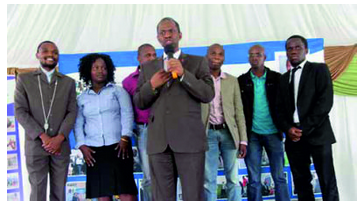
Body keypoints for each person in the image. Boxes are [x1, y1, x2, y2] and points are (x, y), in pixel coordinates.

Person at [133, 17, 214, 201]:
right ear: (158, 38)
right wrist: (152, 85)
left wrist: (185, 74)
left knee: (193, 196)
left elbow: (208, 94)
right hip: (159, 143)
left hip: (189, 140)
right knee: (162, 198)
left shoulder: (197, 62)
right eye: (163, 32)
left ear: (180, 35)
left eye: (171, 31)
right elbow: (139, 101)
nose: (167, 35)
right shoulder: (148, 68)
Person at [276, 35, 339, 201]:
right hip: (293, 138)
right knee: (301, 182)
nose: (293, 51)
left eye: (297, 47)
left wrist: (303, 128)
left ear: (306, 50)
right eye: (289, 48)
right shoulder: (283, 79)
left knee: (327, 180)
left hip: (318, 134)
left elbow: (325, 102)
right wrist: (289, 129)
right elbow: (279, 110)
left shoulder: (319, 69)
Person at [14, 41, 77, 201]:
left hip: (60, 146)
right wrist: (43, 137)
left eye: (55, 52)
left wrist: (59, 138)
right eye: (46, 51)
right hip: (36, 145)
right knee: (37, 193)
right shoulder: (24, 79)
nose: (51, 55)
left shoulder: (68, 82)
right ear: (37, 55)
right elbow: (20, 111)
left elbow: (72, 112)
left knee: (59, 193)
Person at [74, 53, 137, 201]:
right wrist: (82, 146)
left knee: (126, 192)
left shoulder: (118, 91)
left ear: (108, 70)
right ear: (88, 71)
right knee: (102, 194)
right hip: (94, 151)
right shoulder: (82, 98)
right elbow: (78, 124)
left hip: (119, 147)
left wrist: (125, 137)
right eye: (95, 67)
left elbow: (127, 114)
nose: (100, 71)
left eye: (103, 67)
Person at [238, 45, 290, 201]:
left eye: (258, 54)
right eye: (252, 55)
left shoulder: (277, 78)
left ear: (264, 57)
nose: (255, 57)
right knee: (253, 180)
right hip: (252, 134)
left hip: (274, 132)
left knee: (279, 177)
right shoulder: (241, 81)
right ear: (248, 58)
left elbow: (286, 105)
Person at [201, 44, 247, 201]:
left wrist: (243, 140)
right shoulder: (199, 80)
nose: (216, 56)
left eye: (220, 54)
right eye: (213, 53)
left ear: (224, 58)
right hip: (208, 134)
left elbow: (239, 111)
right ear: (207, 56)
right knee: (209, 181)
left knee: (233, 180)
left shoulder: (232, 81)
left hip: (229, 133)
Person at [122, 43, 157, 201]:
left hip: (166, 130)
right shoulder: (128, 82)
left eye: (154, 55)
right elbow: (126, 111)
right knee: (149, 177)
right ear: (138, 58)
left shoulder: (164, 76)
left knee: (168, 175)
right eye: (147, 55)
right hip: (143, 131)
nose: (151, 58)